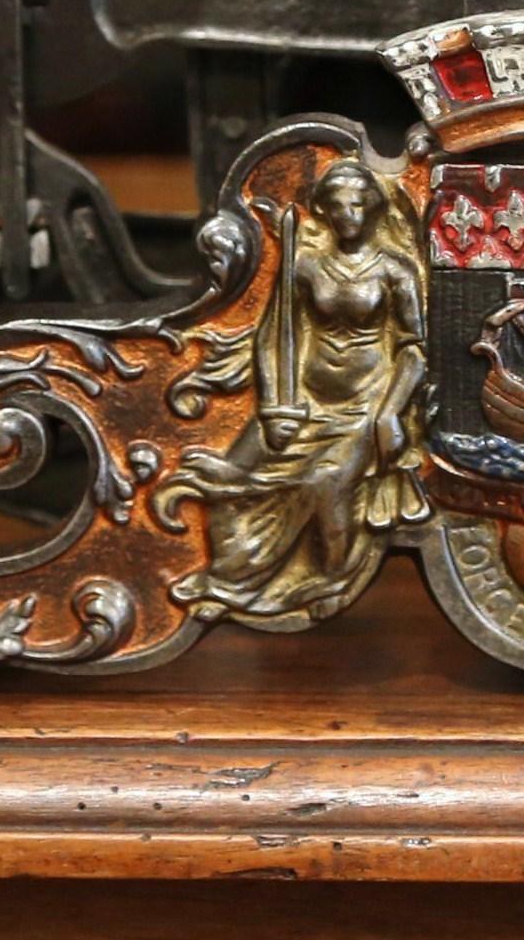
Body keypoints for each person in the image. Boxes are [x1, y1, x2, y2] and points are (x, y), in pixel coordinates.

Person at [160, 158, 430, 626]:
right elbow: (274, 337)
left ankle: (331, 577)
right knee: (229, 475)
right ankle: (230, 576)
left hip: (364, 405)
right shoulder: (305, 267)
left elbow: (413, 348)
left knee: (325, 483)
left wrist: (390, 412)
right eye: (338, 207)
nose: (348, 215)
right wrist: (273, 408)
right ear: (324, 211)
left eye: (357, 206)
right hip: (302, 401)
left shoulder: (394, 270)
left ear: (371, 210)